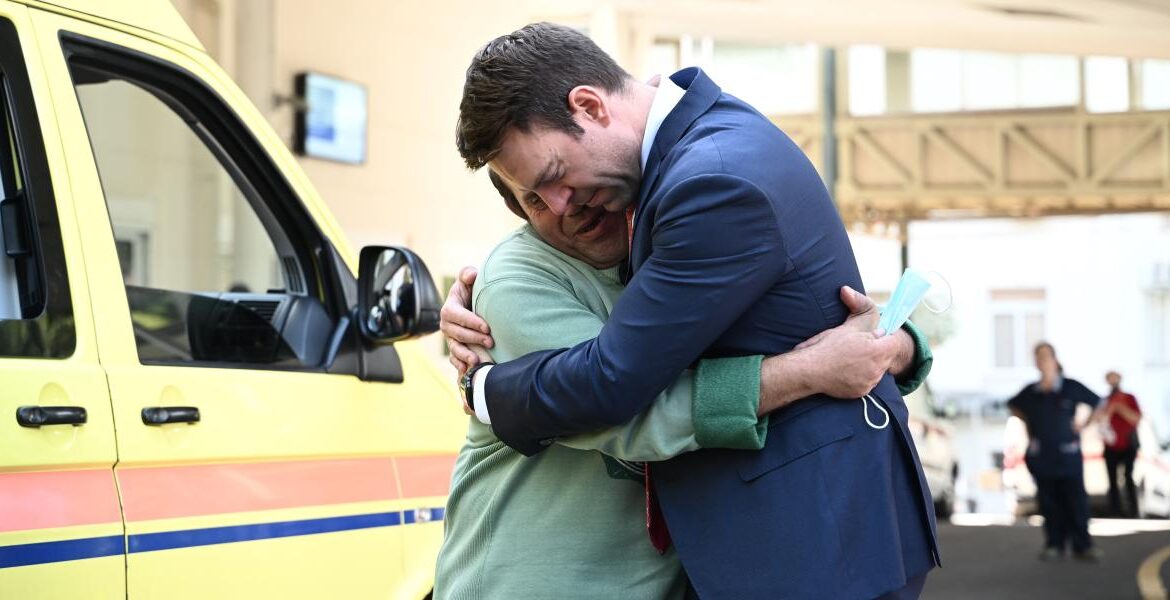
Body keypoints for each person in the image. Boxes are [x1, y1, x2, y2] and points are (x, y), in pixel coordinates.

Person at [443, 23, 939, 599]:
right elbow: (649, 401)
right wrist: (827, 365)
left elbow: (612, 381)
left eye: (554, 177)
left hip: (812, 543)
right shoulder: (661, 175)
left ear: (591, 106)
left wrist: (484, 388)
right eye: (532, 198)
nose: (560, 206)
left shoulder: (704, 181)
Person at [1007, 342, 1101, 562]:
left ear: (1055, 359)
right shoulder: (1032, 392)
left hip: (1068, 455)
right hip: (1043, 456)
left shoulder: (1070, 387)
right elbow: (1013, 405)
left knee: (1076, 501)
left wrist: (1084, 424)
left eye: (1046, 356)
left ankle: (1083, 545)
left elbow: (1099, 403)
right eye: (1038, 357)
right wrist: (1028, 423)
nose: (1042, 361)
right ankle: (1054, 544)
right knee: (1049, 502)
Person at [1096, 370, 1142, 517]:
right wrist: (1109, 409)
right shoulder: (1104, 400)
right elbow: (1099, 419)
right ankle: (1115, 511)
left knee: (1128, 476)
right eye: (1109, 378)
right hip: (1111, 446)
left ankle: (1133, 511)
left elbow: (1136, 418)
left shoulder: (1129, 398)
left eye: (1114, 378)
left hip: (1128, 444)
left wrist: (1120, 408)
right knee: (1112, 479)